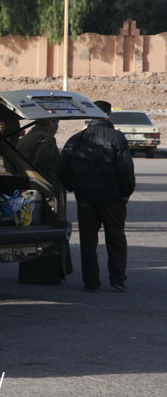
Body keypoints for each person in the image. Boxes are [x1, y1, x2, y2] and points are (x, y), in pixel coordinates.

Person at [58, 100, 135, 293]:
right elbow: (125, 169)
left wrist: (74, 188)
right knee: (116, 239)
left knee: (88, 241)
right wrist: (125, 193)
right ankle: (117, 278)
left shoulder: (76, 139)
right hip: (113, 198)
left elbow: (62, 169)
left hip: (86, 199)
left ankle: (91, 282)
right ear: (108, 114)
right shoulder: (117, 138)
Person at [16, 118, 60, 184]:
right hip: (39, 184)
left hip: (23, 180)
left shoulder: (23, 139)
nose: (57, 127)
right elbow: (41, 162)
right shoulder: (48, 138)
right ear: (50, 123)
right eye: (57, 123)